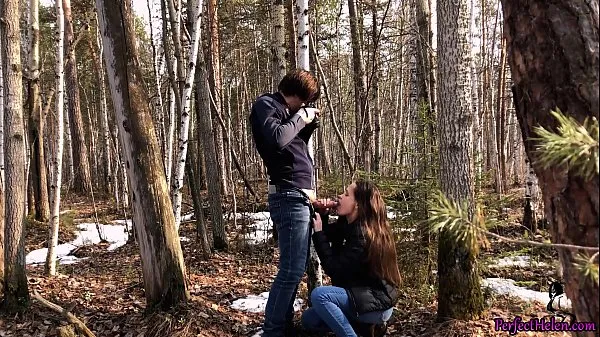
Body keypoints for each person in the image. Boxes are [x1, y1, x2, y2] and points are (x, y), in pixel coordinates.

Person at [249, 69, 321, 337]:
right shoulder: (265, 104)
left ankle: (283, 324)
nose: (303, 107)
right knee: (290, 269)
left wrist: (306, 126)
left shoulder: (286, 113)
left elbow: (293, 148)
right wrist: (301, 118)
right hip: (288, 194)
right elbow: (278, 139)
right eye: (302, 101)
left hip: (298, 194)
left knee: (296, 267)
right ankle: (274, 330)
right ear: (295, 94)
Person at [301, 180, 401, 337]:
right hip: (361, 297)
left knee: (320, 296)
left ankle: (362, 328)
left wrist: (319, 233)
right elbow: (330, 233)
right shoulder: (350, 224)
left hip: (376, 304)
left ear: (358, 205)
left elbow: (334, 269)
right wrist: (323, 213)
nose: (340, 196)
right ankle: (364, 328)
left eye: (346, 194)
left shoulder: (362, 235)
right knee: (309, 319)